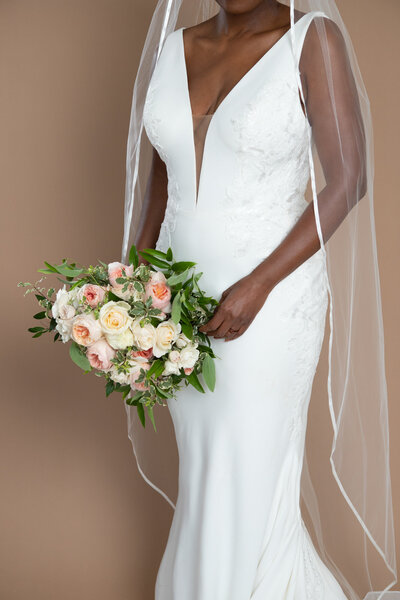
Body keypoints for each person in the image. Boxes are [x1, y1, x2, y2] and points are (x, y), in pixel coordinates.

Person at [122, 1, 397, 598]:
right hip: (178, 308)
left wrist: (259, 284)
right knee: (206, 470)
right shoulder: (177, 47)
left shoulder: (310, 40)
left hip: (271, 301)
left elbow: (348, 176)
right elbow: (160, 185)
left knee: (242, 468)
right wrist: (133, 292)